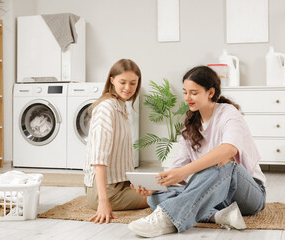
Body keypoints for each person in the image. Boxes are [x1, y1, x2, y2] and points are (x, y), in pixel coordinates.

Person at [128, 65, 266, 238]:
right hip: (216, 195)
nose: (187, 98)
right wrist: (157, 186)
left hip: (248, 194)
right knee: (154, 199)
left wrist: (186, 171)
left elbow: (229, 149)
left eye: (193, 93)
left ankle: (167, 218)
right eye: (185, 92)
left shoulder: (228, 114)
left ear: (210, 93)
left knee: (225, 164)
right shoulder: (190, 127)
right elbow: (178, 167)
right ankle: (217, 216)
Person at [83, 59, 148, 224]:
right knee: (162, 195)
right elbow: (98, 159)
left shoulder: (121, 107)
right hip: (105, 191)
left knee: (162, 187)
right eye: (123, 82)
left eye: (133, 83)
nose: (128, 88)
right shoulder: (107, 109)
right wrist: (104, 203)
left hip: (121, 183)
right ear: (112, 80)